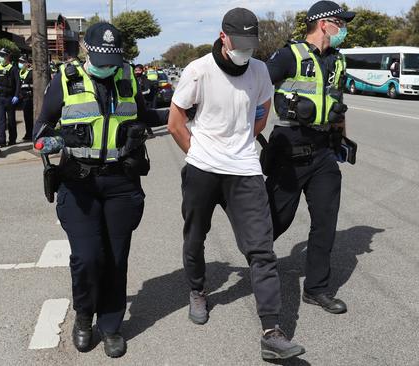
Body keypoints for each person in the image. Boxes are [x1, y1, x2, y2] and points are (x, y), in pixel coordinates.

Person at [167, 8, 305, 361]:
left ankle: (272, 331)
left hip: (244, 169)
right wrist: (199, 153)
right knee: (195, 236)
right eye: (239, 43)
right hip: (202, 169)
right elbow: (175, 121)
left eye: (251, 44)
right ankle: (198, 290)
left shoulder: (260, 71)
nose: (246, 50)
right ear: (223, 37)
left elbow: (260, 114)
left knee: (261, 248)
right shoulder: (198, 70)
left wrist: (238, 144)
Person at [32, 22, 168, 358]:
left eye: (114, 58)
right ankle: (83, 315)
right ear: (87, 50)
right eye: (102, 57)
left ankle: (110, 325)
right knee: (88, 257)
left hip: (121, 182)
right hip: (79, 183)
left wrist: (181, 112)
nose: (108, 65)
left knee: (116, 258)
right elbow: (38, 136)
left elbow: (146, 115)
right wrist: (62, 139)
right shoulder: (65, 79)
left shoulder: (127, 76)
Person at [263, 0, 355, 315]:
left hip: (324, 150)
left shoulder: (338, 61)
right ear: (323, 23)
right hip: (289, 147)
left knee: (325, 222)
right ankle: (257, 265)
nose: (343, 29)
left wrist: (342, 139)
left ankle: (316, 289)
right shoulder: (289, 56)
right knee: (276, 219)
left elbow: (338, 104)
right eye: (340, 23)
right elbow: (257, 88)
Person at [0, 48, 20, 146]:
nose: (1, 57)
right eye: (0, 55)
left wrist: (16, 95)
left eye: (3, 55)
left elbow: (18, 83)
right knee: (1, 120)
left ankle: (12, 139)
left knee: (11, 120)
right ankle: (1, 140)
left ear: (8, 56)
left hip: (9, 98)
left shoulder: (13, 68)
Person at [134, 64, 155, 138]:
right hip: (136, 102)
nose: (137, 72)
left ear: (142, 71)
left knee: (143, 118)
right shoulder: (134, 79)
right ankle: (142, 132)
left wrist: (139, 94)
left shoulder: (145, 80)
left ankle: (150, 133)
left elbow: (148, 91)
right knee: (138, 118)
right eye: (135, 70)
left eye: (139, 70)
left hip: (144, 102)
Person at [18, 55, 34, 142]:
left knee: (30, 117)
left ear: (27, 64)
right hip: (23, 98)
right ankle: (28, 133)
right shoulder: (20, 72)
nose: (20, 64)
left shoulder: (31, 73)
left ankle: (31, 134)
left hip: (30, 98)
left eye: (22, 62)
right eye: (19, 62)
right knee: (26, 117)